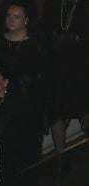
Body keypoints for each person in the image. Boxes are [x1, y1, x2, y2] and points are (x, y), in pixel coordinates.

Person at [0, 2, 53, 150]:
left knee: (28, 149)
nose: (11, 20)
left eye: (16, 17)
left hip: (28, 107)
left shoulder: (36, 45)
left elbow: (45, 77)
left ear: (26, 19)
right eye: (8, 16)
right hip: (3, 107)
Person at [43, 0, 89, 156]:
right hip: (59, 66)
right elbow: (46, 31)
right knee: (58, 111)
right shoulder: (54, 4)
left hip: (83, 64)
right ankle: (60, 159)